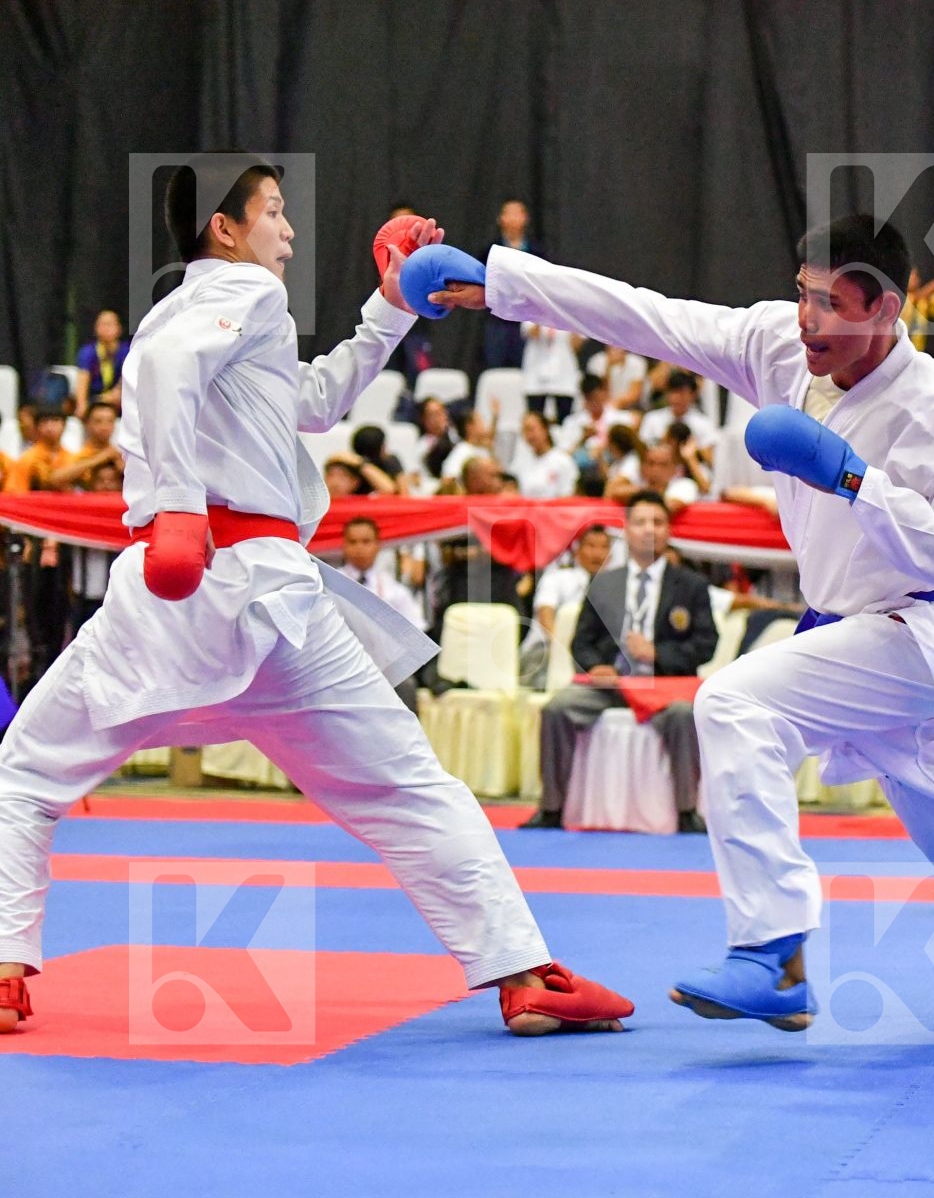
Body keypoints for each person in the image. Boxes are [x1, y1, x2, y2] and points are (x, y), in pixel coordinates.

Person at [411, 211, 934, 1024]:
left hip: (921, 632)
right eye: (803, 295)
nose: (809, 319)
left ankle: (772, 954)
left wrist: (858, 482)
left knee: (733, 702)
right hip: (847, 628)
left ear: (887, 309)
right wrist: (501, 284)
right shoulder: (777, 346)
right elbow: (648, 315)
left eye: (833, 304)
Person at [0, 157, 628, 1037]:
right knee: (410, 790)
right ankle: (527, 977)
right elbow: (176, 366)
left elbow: (315, 401)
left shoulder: (186, 318)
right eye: (275, 211)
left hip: (170, 607)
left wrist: (390, 306)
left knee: (24, 774)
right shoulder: (238, 300)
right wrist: (182, 504)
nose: (290, 231)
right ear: (226, 228)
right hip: (253, 597)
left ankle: (3, 970)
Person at [528, 493, 715, 832]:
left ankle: (687, 810)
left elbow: (706, 645)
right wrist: (596, 667)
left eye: (657, 523)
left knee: (684, 715)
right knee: (557, 709)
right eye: (641, 522)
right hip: (613, 683)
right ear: (626, 530)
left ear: (668, 531)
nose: (649, 530)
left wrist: (657, 654)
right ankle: (551, 807)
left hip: (665, 685)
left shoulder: (691, 585)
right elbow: (581, 642)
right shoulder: (604, 583)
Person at [337, 516, 427, 709]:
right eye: (353, 542)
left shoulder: (394, 590)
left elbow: (417, 634)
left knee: (406, 686)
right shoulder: (329, 585)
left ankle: (408, 739)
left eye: (366, 541)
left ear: (378, 545)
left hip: (385, 668)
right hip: (339, 666)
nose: (359, 548)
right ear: (343, 545)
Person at [483, 197, 543, 370]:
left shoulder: (537, 252)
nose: (513, 218)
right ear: (500, 219)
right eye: (508, 213)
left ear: (526, 218)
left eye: (518, 213)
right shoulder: (489, 252)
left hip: (526, 320)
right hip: (498, 321)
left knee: (525, 371)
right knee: (495, 370)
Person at [638, 370, 720, 453]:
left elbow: (710, 458)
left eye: (681, 393)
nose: (676, 398)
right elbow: (642, 448)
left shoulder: (704, 423)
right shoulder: (652, 418)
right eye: (673, 392)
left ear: (693, 395)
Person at [520, 318, 584, 424]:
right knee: (536, 420)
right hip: (536, 377)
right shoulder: (533, 309)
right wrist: (544, 314)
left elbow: (576, 345)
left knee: (564, 422)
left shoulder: (569, 312)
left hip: (563, 377)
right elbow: (533, 333)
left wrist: (569, 318)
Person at [507, 409, 579, 498]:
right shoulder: (520, 462)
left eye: (531, 429)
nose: (528, 435)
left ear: (545, 430)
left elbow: (568, 495)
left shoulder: (562, 461)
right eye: (524, 431)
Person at [72, 309, 128, 416]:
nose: (106, 328)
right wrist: (82, 406)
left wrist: (107, 398)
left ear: (119, 329)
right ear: (95, 328)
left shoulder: (127, 351)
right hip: (93, 403)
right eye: (102, 324)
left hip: (119, 402)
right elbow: (83, 380)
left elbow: (124, 383)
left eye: (109, 324)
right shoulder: (88, 352)